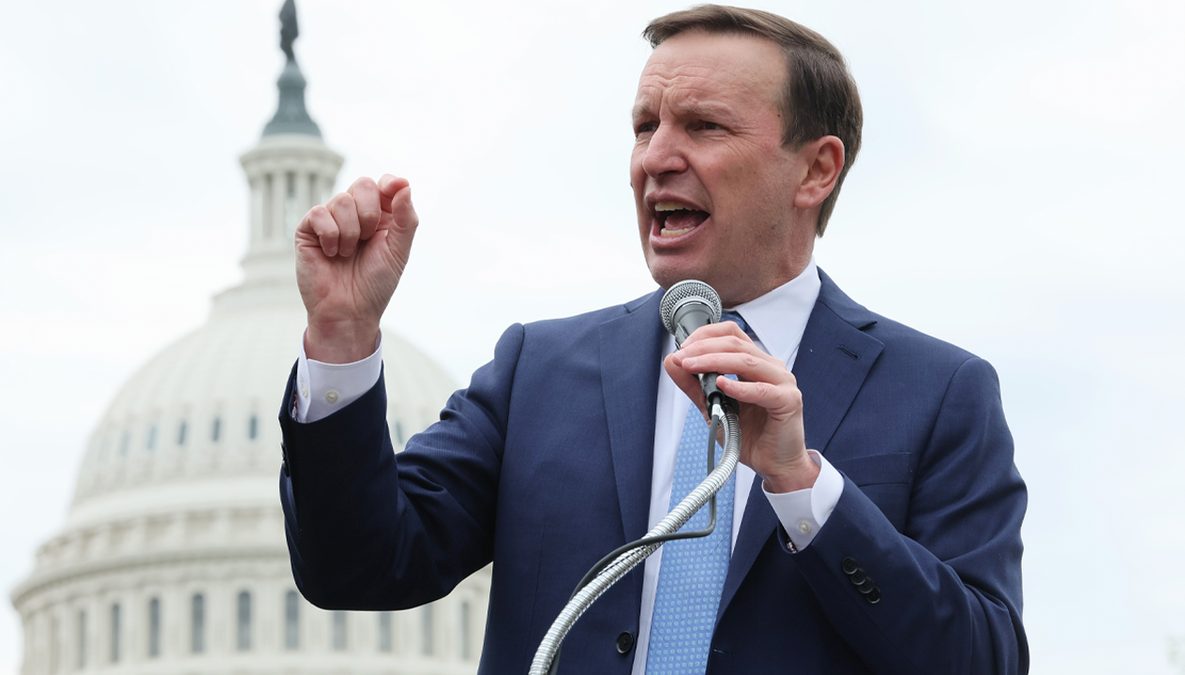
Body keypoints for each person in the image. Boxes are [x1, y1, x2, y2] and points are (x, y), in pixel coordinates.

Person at [279, 5, 1028, 674]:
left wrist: (801, 484)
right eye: (645, 127)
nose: (655, 158)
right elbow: (356, 566)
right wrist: (342, 339)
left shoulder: (939, 393)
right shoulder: (537, 371)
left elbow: (983, 658)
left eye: (704, 126)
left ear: (816, 170)